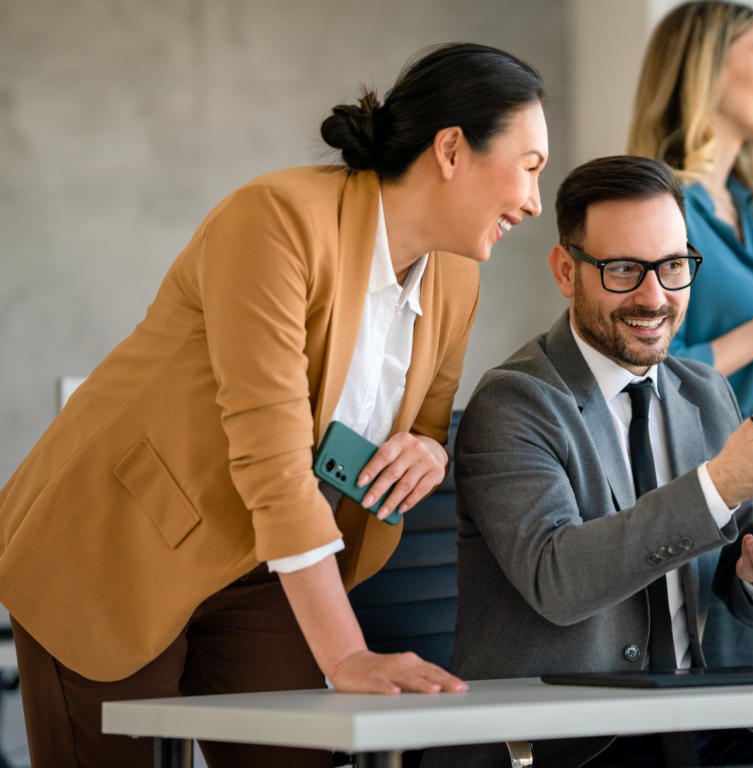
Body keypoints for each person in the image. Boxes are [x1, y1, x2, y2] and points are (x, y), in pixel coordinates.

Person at [0, 43, 549, 768]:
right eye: (530, 166)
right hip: (117, 541)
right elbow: (273, 459)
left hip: (266, 563)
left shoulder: (455, 280)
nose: (535, 202)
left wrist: (432, 449)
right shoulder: (277, 219)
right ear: (451, 149)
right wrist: (347, 653)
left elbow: (424, 420)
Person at [420, 156, 753, 768]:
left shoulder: (705, 393)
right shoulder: (515, 402)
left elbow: (742, 586)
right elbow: (561, 580)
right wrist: (720, 484)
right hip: (560, 751)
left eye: (673, 266)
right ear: (565, 270)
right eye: (624, 269)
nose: (654, 297)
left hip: (695, 735)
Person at [627, 2, 753, 751]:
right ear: (706, 67)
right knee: (734, 716)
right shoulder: (664, 210)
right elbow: (647, 364)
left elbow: (752, 341)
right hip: (706, 481)